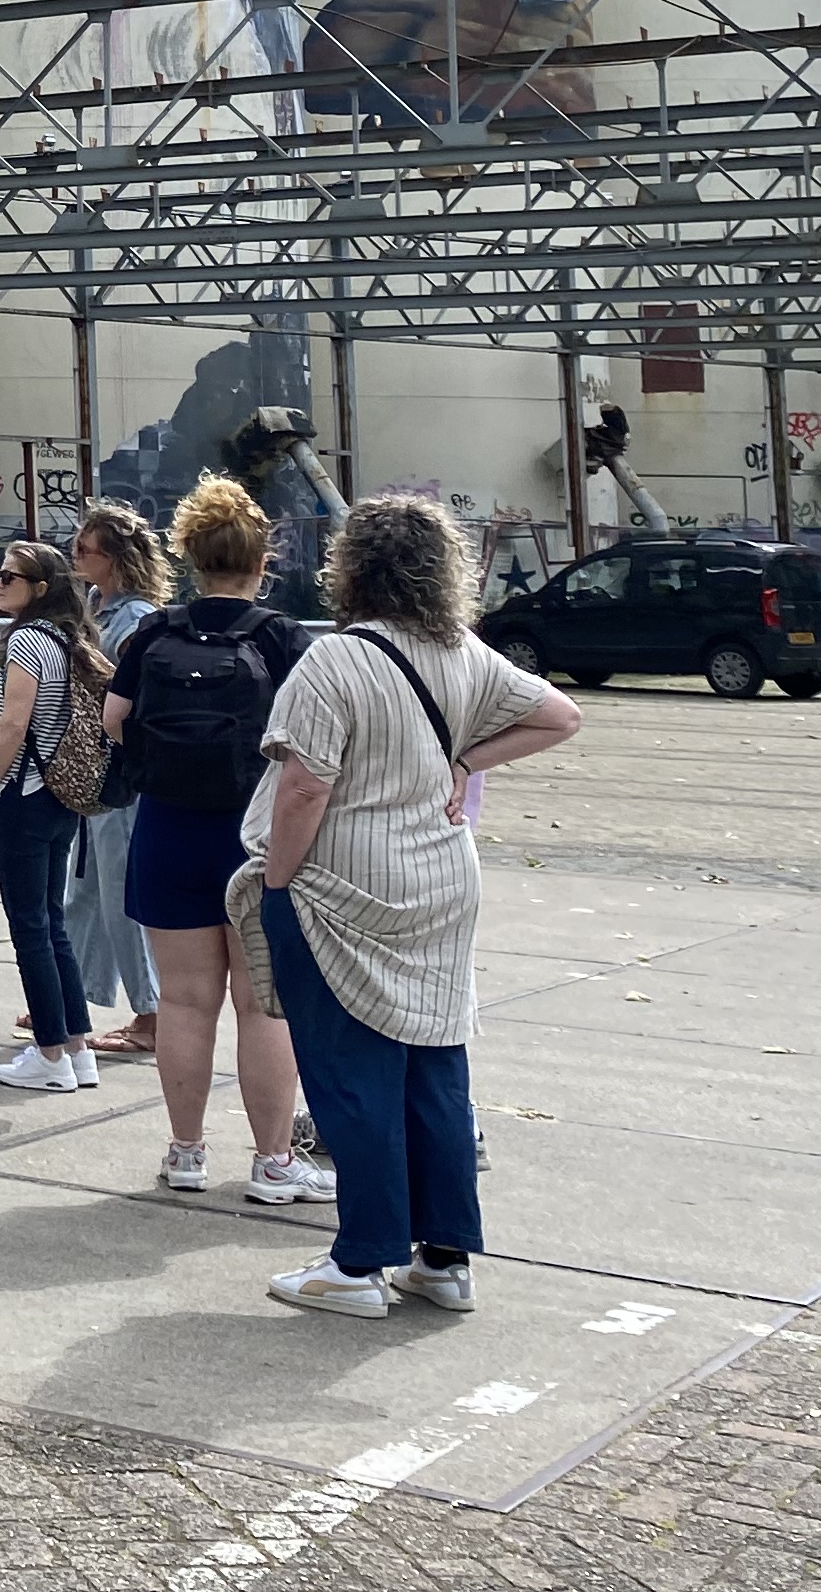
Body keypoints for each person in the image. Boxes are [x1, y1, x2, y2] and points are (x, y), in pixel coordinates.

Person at [239, 496, 581, 1317]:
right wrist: (466, 761)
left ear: (351, 567)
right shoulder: (463, 651)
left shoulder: (334, 660)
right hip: (443, 882)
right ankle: (444, 1259)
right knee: (436, 1066)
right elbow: (560, 715)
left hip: (343, 884)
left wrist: (277, 879)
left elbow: (305, 786)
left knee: (350, 1072)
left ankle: (360, 1263)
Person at [111, 477, 326, 1205]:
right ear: (263, 561)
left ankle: (185, 1151)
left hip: (167, 829)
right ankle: (272, 1161)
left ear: (190, 556)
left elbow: (115, 720)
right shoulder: (283, 638)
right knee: (261, 1003)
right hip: (256, 839)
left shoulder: (154, 632)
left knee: (183, 1000)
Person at [0, 539, 106, 1092]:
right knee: (52, 923)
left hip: (24, 792)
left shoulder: (28, 640)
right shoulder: (69, 640)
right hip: (61, 794)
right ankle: (77, 1047)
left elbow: (14, 723)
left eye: (10, 577)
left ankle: (51, 1055)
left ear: (40, 589)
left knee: (29, 925)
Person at [63, 501, 169, 1057]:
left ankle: (151, 1015)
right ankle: (70, 998)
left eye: (84, 548)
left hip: (120, 775)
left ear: (114, 558)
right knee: (84, 887)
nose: (75, 554)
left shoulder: (136, 620)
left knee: (122, 891)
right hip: (96, 771)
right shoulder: (96, 606)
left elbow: (136, 701)